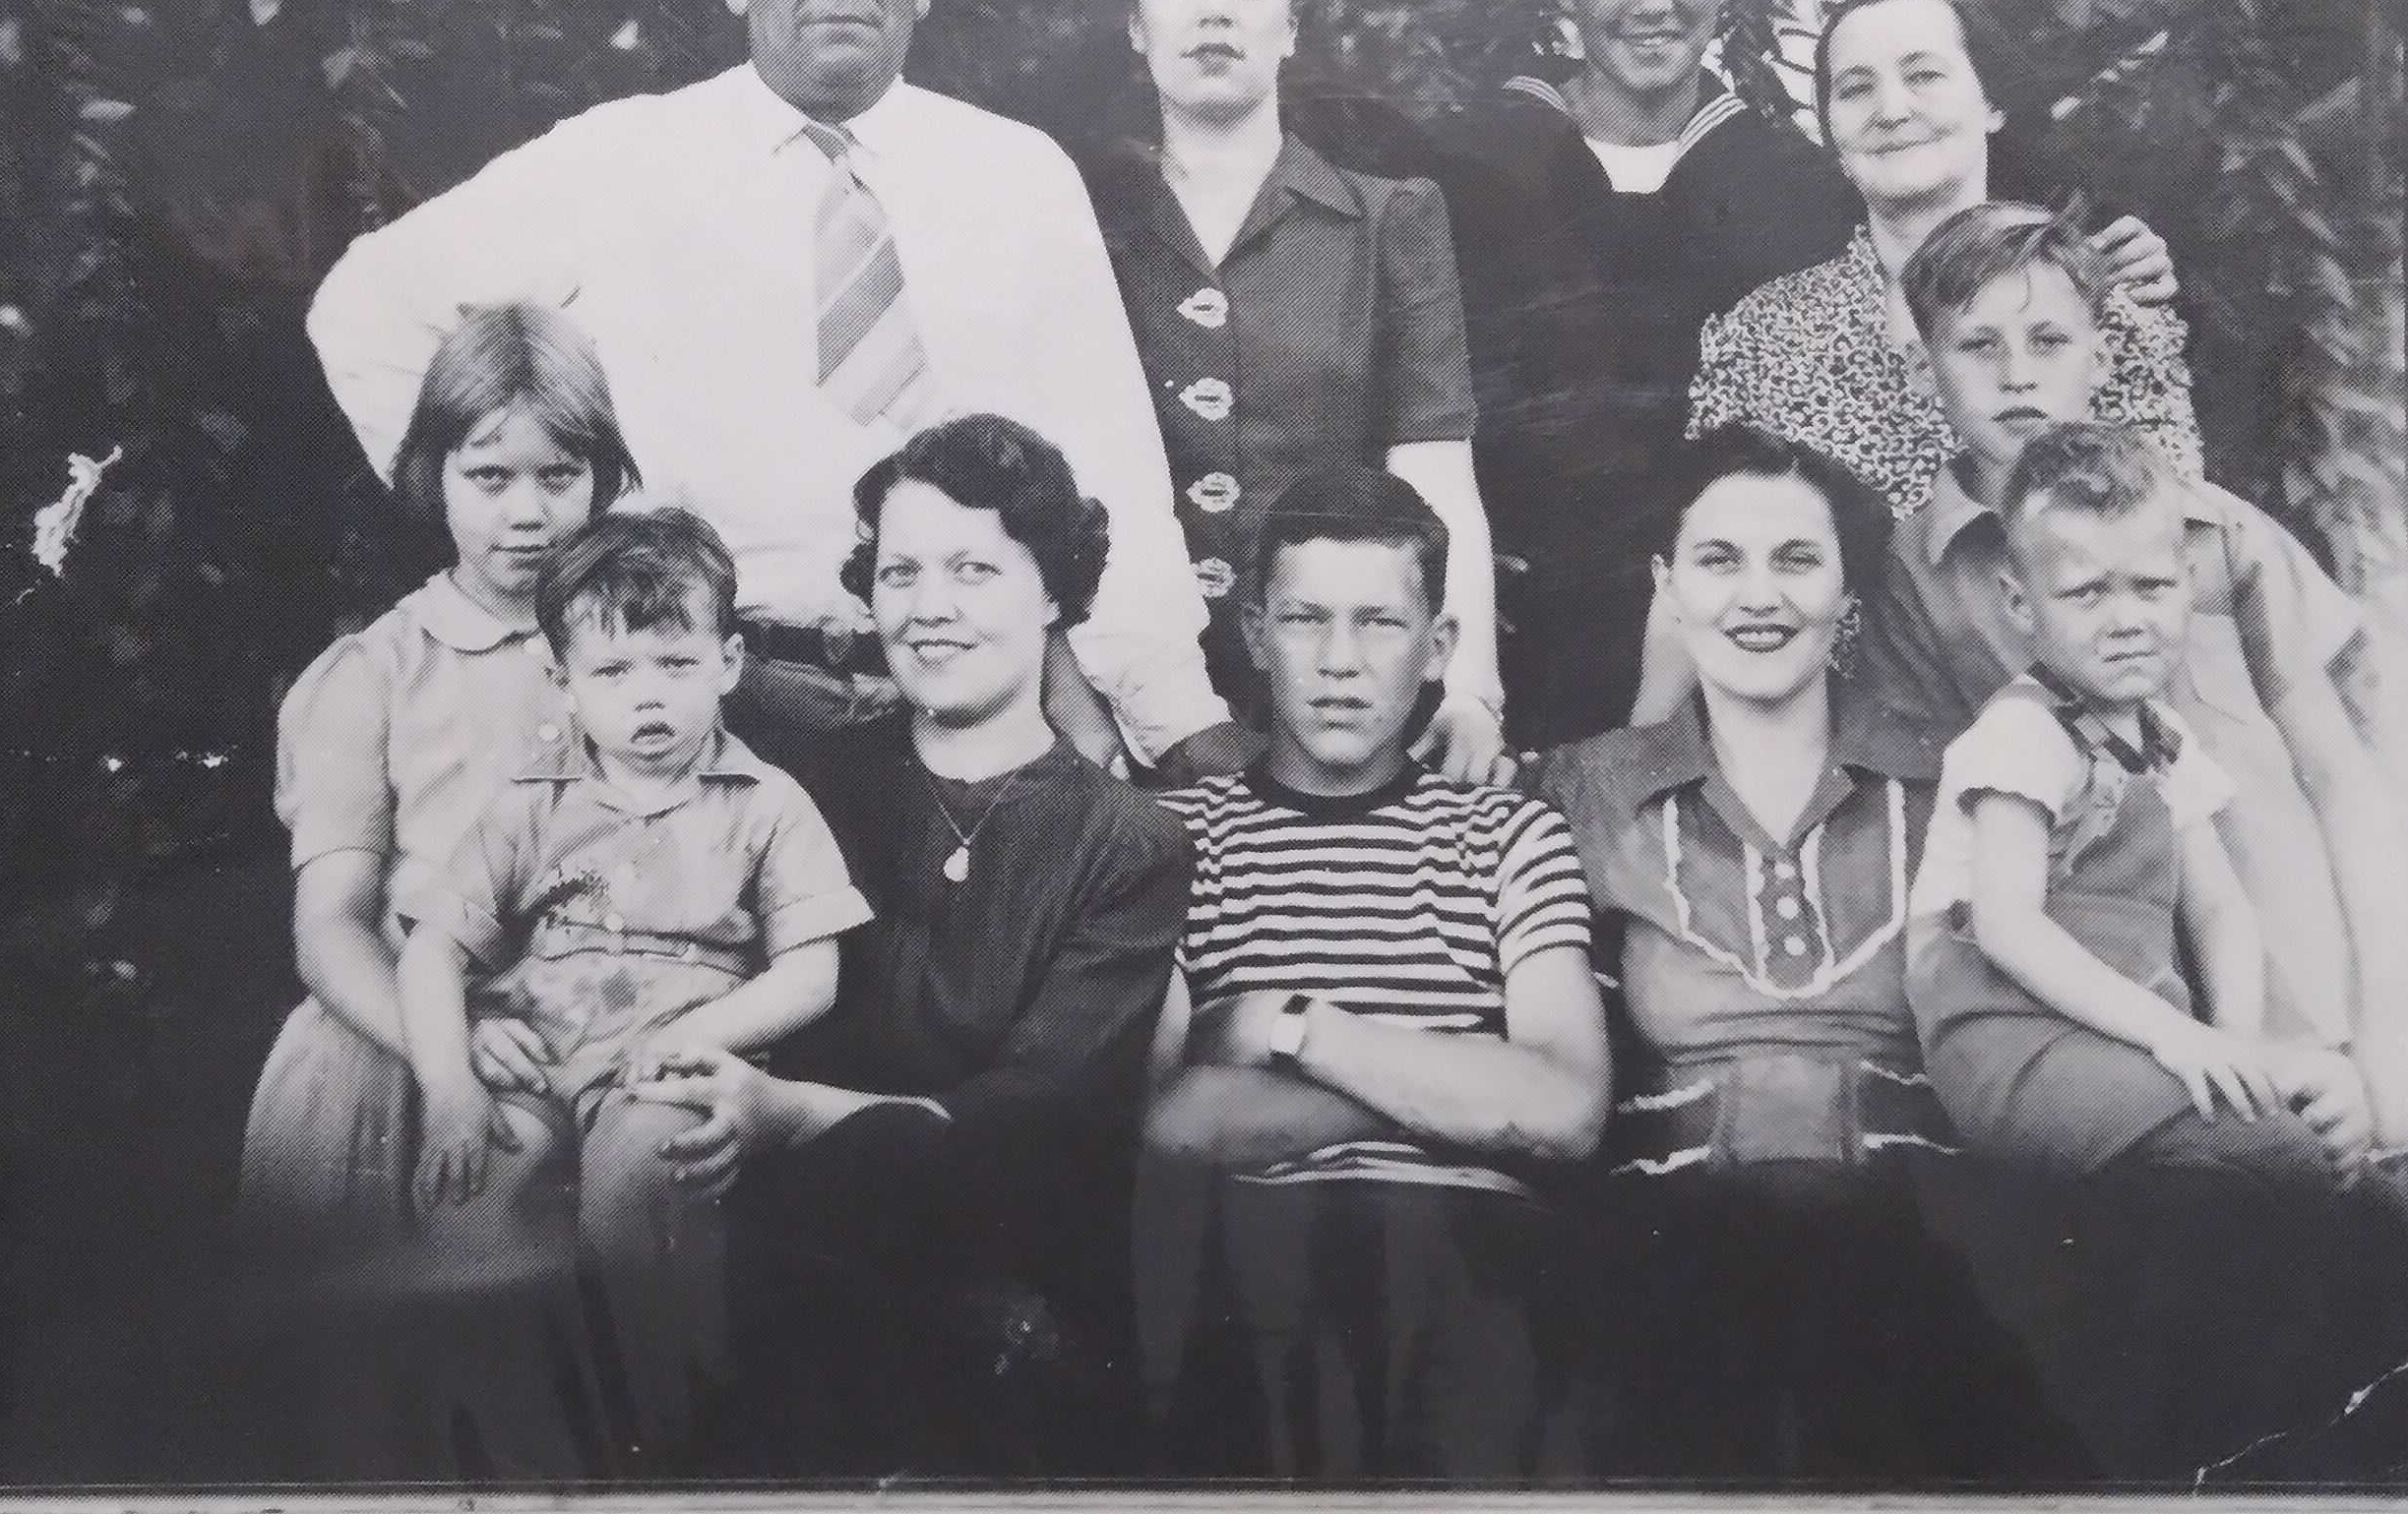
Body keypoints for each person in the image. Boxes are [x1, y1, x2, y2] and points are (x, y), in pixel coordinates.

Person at [305, 0, 1248, 788]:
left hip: (975, 705)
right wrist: (548, 568)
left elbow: (1109, 460)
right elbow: (368, 311)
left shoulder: (1016, 174)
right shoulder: (623, 158)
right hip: (704, 709)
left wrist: (1169, 709)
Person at [1385, 0, 2170, 748]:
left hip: (1759, 643)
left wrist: (2111, 263)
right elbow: (1413, 405)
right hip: (1509, 636)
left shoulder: (1794, 184)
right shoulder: (1472, 169)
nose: (1651, 2)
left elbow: (1950, 237)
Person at [634, 414, 1192, 1478]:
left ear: (1054, 591)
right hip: (775, 1228)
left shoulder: (1129, 838)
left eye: (973, 568)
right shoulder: (801, 779)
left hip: (1000, 1242)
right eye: (900, 571)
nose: (929, 606)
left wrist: (791, 1113)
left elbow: (1036, 1111)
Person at [1536, 425, 2080, 1483]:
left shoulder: (1955, 778)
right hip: (1666, 1276)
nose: (1758, 594)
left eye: (1795, 559)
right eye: (1717, 558)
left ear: (1847, 596)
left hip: (1924, 1275)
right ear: (1666, 584)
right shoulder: (1578, 790)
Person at [1862, 204, 2408, 1143]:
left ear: (2102, 356)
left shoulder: (2216, 534)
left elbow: (2341, 786)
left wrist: (2380, 1055)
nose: (2016, 374)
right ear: (1925, 371)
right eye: (1978, 346)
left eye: (2047, 339)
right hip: (2102, 1013)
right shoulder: (1917, 571)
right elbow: (1943, 842)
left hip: (2288, 1002)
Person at [234, 302, 638, 1480]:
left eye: (561, 473)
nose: (527, 509)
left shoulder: (643, 648)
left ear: (605, 474)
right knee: (429, 1410)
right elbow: (329, 927)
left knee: (607, 1396)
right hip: (404, 1062)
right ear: (432, 474)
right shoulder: (379, 673)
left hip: (591, 1041)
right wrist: (445, 1036)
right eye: (489, 472)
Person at [1139, 467, 1605, 1480]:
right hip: (1254, 1272)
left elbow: (1564, 1104)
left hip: (1472, 1269)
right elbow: (1167, 1118)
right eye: (1305, 619)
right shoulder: (1178, 838)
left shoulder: (1506, 835)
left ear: (1437, 645)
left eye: (1378, 623)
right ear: (1256, 635)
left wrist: (1287, 1023)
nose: (1339, 662)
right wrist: (1456, 1087)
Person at [393, 510, 870, 1462]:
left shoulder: (764, 802)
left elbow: (812, 971)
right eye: (612, 672)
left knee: (642, 1183)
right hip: (536, 1058)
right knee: (466, 1200)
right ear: (562, 683)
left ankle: (680, 1430)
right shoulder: (533, 802)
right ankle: (530, 1452)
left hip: (665, 1063)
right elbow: (430, 951)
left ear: (729, 661)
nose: (646, 698)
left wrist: (709, 1032)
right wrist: (450, 1084)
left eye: (674, 663)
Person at [1077, 0, 1503, 776]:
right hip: (1127, 705)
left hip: (1345, 689)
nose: (1215, 8)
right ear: (1138, 27)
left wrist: (1469, 682)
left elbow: (1434, 470)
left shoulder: (1389, 219)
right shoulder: (1077, 219)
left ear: (1291, 25)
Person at [1684, 0, 2197, 521]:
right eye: (1856, 89)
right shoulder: (1759, 339)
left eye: (1923, 75)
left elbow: (2173, 548)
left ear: (1993, 104)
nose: (1892, 111)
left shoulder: (2100, 309)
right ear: (1832, 134)